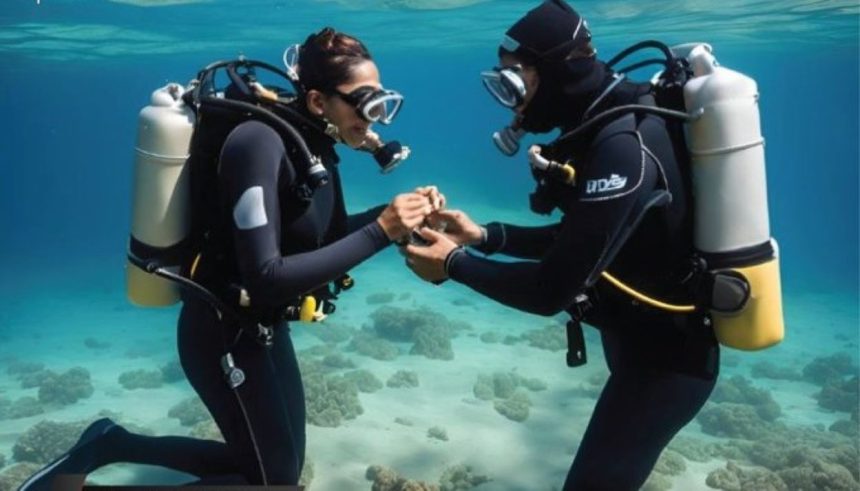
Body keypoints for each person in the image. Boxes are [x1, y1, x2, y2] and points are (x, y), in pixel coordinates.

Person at [20, 27, 443, 489]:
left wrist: (393, 219)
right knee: (272, 482)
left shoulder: (315, 147)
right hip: (221, 329)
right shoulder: (257, 144)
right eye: (365, 102)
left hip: (262, 326)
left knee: (274, 470)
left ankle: (110, 443)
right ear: (320, 102)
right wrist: (383, 231)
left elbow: (327, 237)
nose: (375, 118)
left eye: (381, 101)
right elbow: (265, 276)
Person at [404, 1, 720, 489]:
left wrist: (453, 263)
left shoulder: (621, 145)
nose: (513, 103)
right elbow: (591, 239)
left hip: (668, 362)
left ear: (557, 73)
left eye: (515, 83)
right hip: (642, 344)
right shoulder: (605, 126)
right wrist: (485, 236)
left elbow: (550, 289)